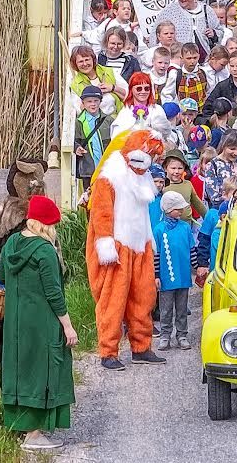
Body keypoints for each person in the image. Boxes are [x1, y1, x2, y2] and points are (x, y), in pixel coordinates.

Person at [0, 194, 76, 451]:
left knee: (21, 370)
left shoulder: (11, 244)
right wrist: (67, 325)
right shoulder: (44, 251)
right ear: (47, 225)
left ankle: (22, 426)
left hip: (15, 323)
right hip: (42, 323)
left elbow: (0, 276)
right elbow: (53, 292)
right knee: (42, 371)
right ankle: (33, 435)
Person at [85, 135, 166, 370]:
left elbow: (143, 213)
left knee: (144, 296)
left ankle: (141, 347)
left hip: (140, 244)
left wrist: (149, 242)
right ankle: (108, 351)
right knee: (113, 300)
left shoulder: (143, 177)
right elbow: (101, 214)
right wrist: (106, 245)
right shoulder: (110, 178)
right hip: (117, 246)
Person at [0, 156, 49, 374]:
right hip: (25, 299)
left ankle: (9, 400)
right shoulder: (29, 219)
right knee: (26, 359)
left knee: (4, 356)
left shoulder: (1, 211)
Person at [150, 190, 196, 351]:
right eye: (178, 208)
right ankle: (165, 335)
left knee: (182, 308)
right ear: (169, 210)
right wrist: (156, 275)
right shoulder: (159, 229)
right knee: (166, 308)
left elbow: (192, 250)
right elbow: (156, 255)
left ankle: (182, 334)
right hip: (166, 277)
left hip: (183, 276)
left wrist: (197, 269)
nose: (182, 211)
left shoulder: (185, 228)